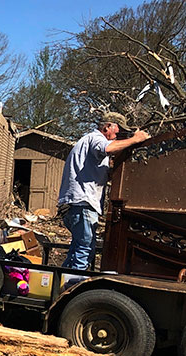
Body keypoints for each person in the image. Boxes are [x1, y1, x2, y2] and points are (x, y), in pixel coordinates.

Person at [57, 112, 149, 270]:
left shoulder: (88, 144)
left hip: (75, 204)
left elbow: (105, 171)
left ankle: (60, 284)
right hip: (83, 203)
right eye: (118, 131)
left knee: (77, 249)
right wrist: (136, 139)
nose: (118, 135)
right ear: (107, 126)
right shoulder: (97, 139)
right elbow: (107, 148)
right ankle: (74, 287)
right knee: (84, 250)